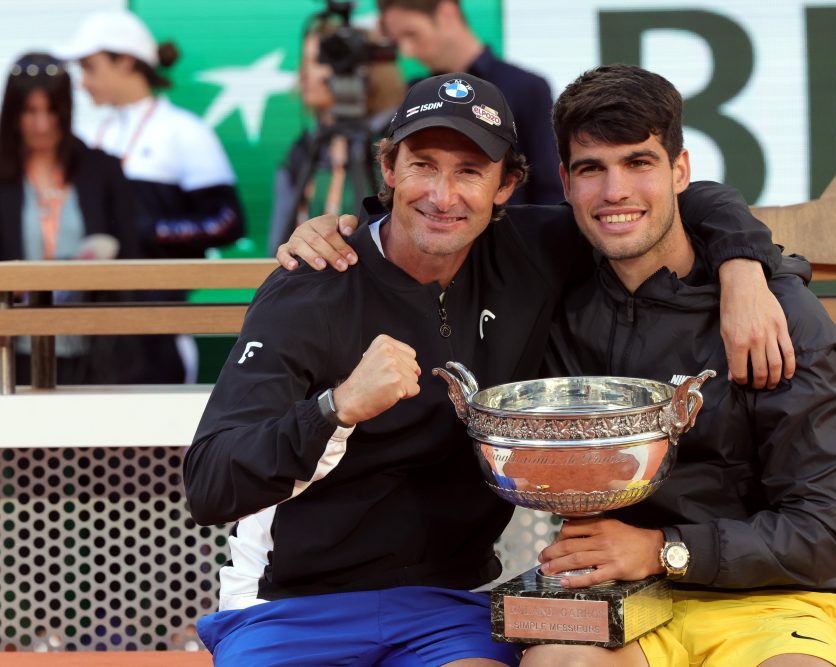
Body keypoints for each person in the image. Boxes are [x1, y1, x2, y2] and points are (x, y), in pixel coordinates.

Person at [187, 72, 789, 665]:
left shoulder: (533, 249)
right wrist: (336, 408)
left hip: (449, 603)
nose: (443, 196)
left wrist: (742, 267)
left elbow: (672, 202)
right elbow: (211, 484)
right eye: (423, 166)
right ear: (388, 168)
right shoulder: (314, 284)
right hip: (291, 604)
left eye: (470, 171)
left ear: (507, 185)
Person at [522, 65, 836, 667]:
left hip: (770, 603)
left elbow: (826, 534)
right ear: (566, 182)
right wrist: (341, 236)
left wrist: (663, 548)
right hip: (620, 600)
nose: (615, 191)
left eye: (639, 163)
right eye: (592, 169)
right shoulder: (552, 287)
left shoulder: (777, 316)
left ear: (680, 171)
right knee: (558, 662)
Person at [55, 10, 246, 383]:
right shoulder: (91, 138)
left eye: (90, 67)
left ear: (126, 62)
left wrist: (147, 231)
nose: (82, 82)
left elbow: (227, 221)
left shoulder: (184, 132)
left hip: (159, 329)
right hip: (88, 328)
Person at [0, 52, 142, 384]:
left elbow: (132, 258)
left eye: (52, 110)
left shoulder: (102, 170)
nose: (42, 124)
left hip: (94, 352)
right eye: (30, 111)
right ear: (13, 113)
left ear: (66, 110)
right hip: (12, 353)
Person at [377, 0, 563, 206]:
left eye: (412, 34)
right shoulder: (414, 92)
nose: (406, 51)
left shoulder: (526, 86)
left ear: (446, 14)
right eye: (398, 42)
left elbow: (549, 188)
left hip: (510, 226)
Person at [267, 16, 405, 251]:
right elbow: (277, 247)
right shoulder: (303, 151)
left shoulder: (392, 142)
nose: (304, 73)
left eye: (318, 61)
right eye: (303, 62)